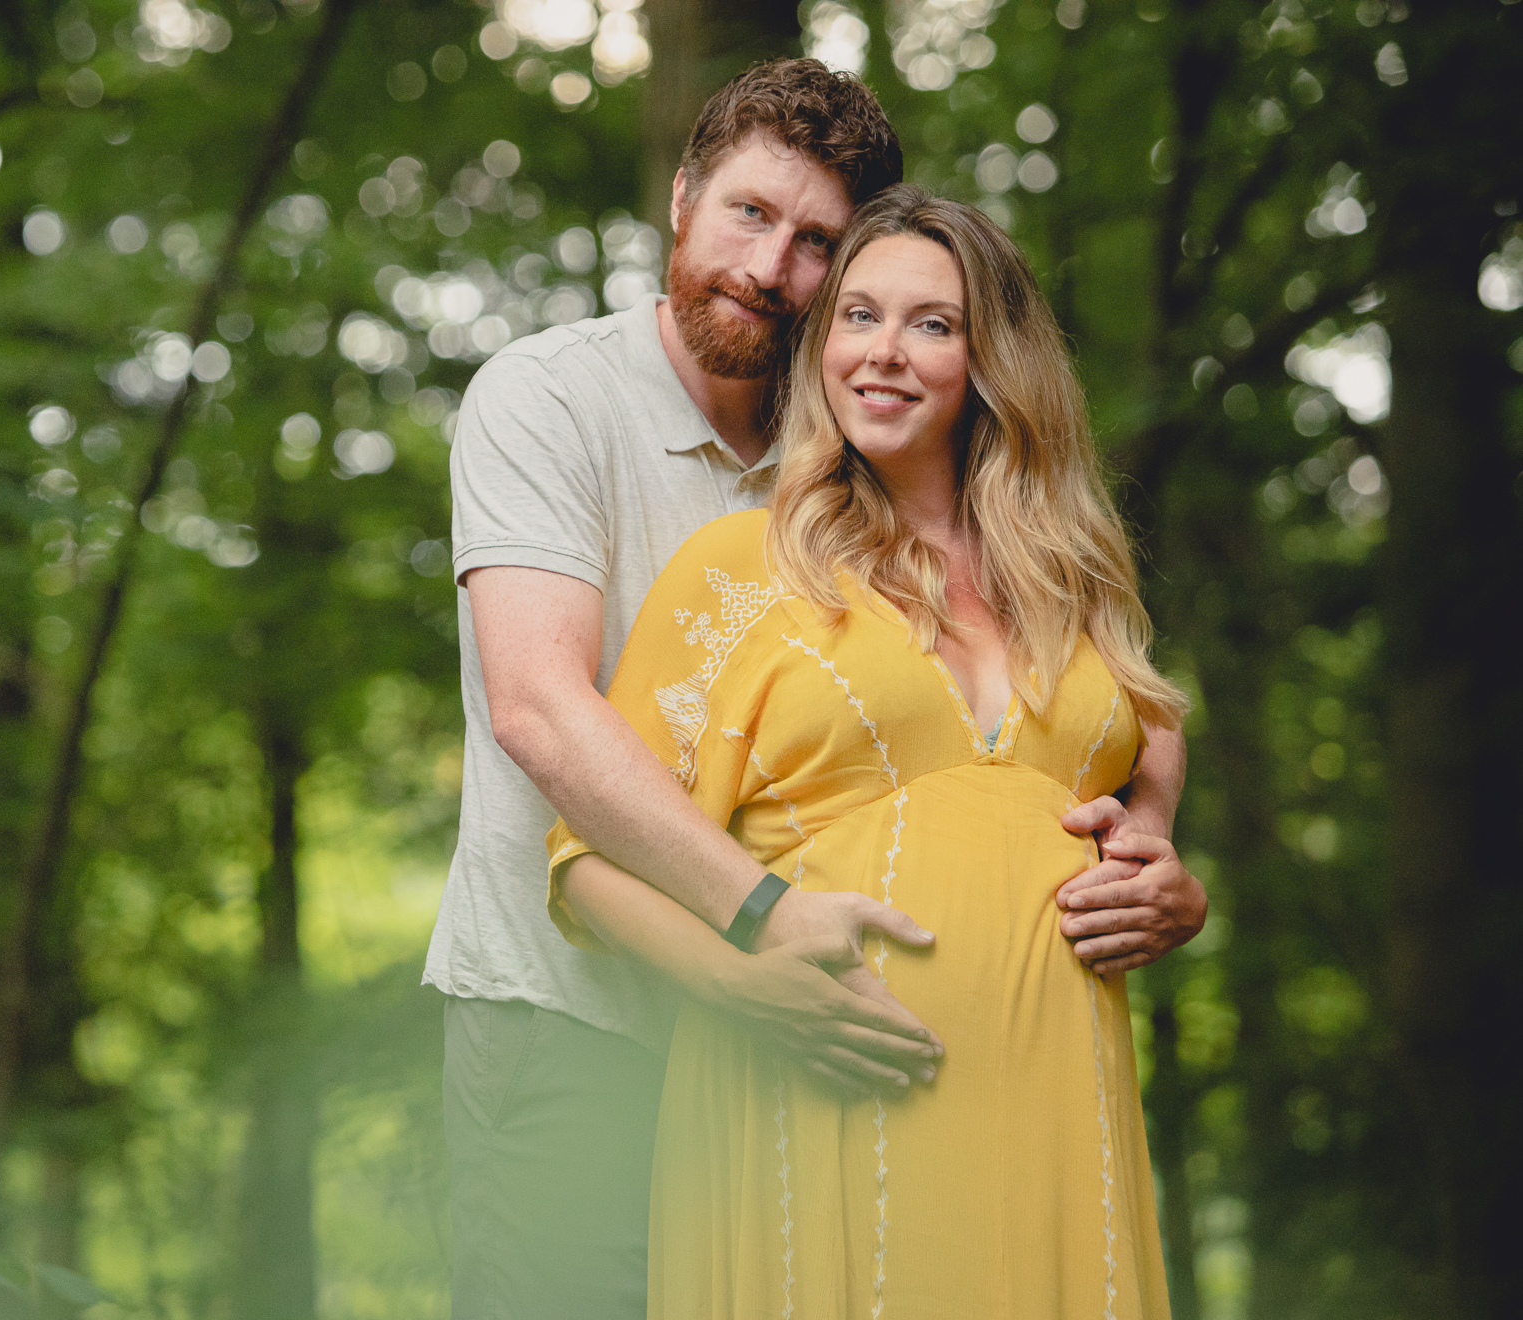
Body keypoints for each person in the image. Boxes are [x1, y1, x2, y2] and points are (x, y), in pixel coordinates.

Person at [427, 59, 1203, 1320]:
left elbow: (1098, 693)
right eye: (748, 214)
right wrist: (764, 922)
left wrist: (1152, 841)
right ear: (683, 199)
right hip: (574, 1015)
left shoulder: (855, 428)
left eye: (814, 245)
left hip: (851, 1052)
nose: (770, 267)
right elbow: (543, 716)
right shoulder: (552, 400)